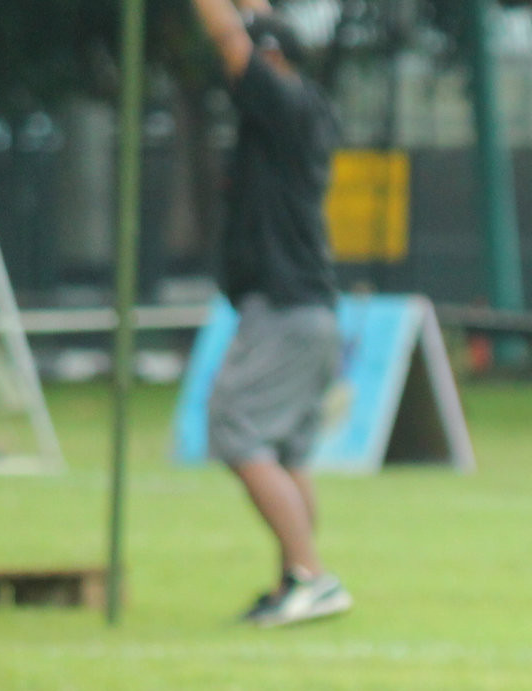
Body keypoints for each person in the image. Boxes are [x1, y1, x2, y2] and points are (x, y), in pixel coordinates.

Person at [190, 0, 351, 626]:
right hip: (307, 309)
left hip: (284, 309)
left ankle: (311, 575)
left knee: (235, 426)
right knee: (286, 453)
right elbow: (251, 24)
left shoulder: (282, 105)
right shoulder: (301, 108)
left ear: (272, 60)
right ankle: (295, 577)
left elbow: (235, 39)